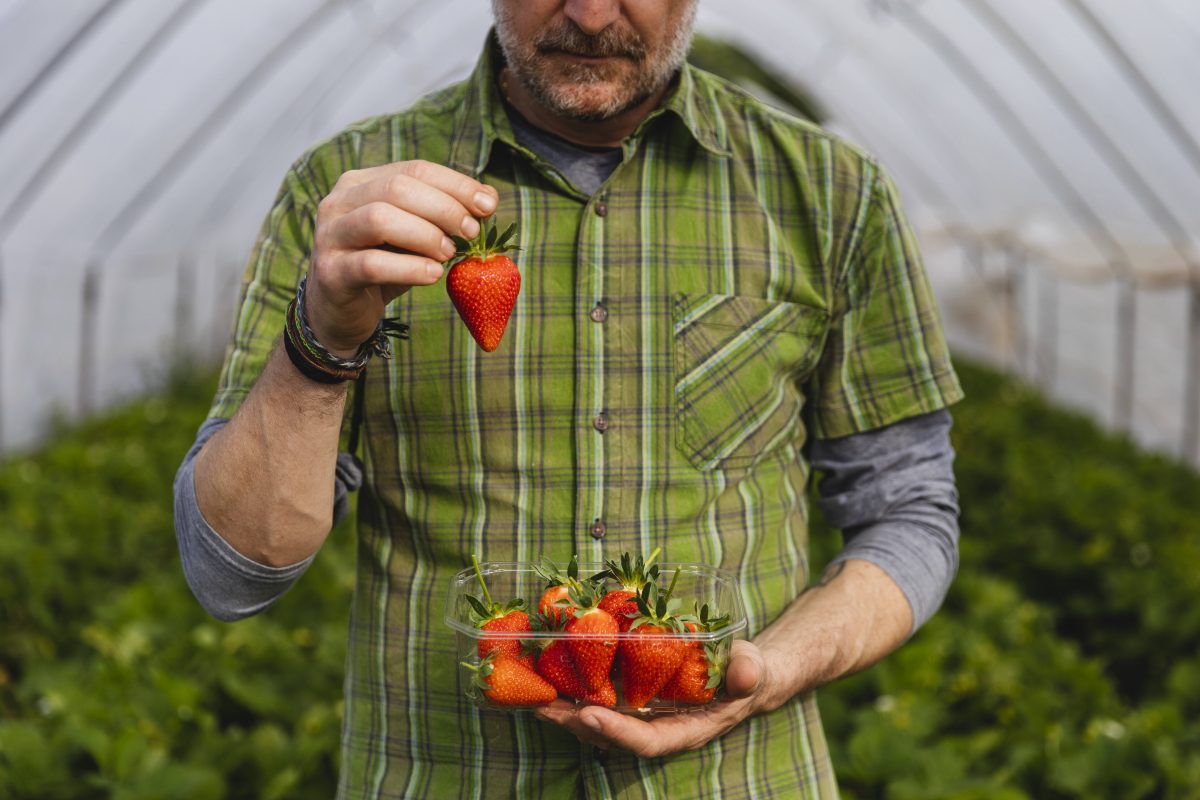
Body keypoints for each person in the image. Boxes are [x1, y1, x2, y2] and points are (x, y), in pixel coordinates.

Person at [173, 1, 963, 797]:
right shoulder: (352, 198)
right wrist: (323, 338)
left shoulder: (829, 193)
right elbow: (233, 575)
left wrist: (777, 666)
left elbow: (909, 511)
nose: (589, 15)